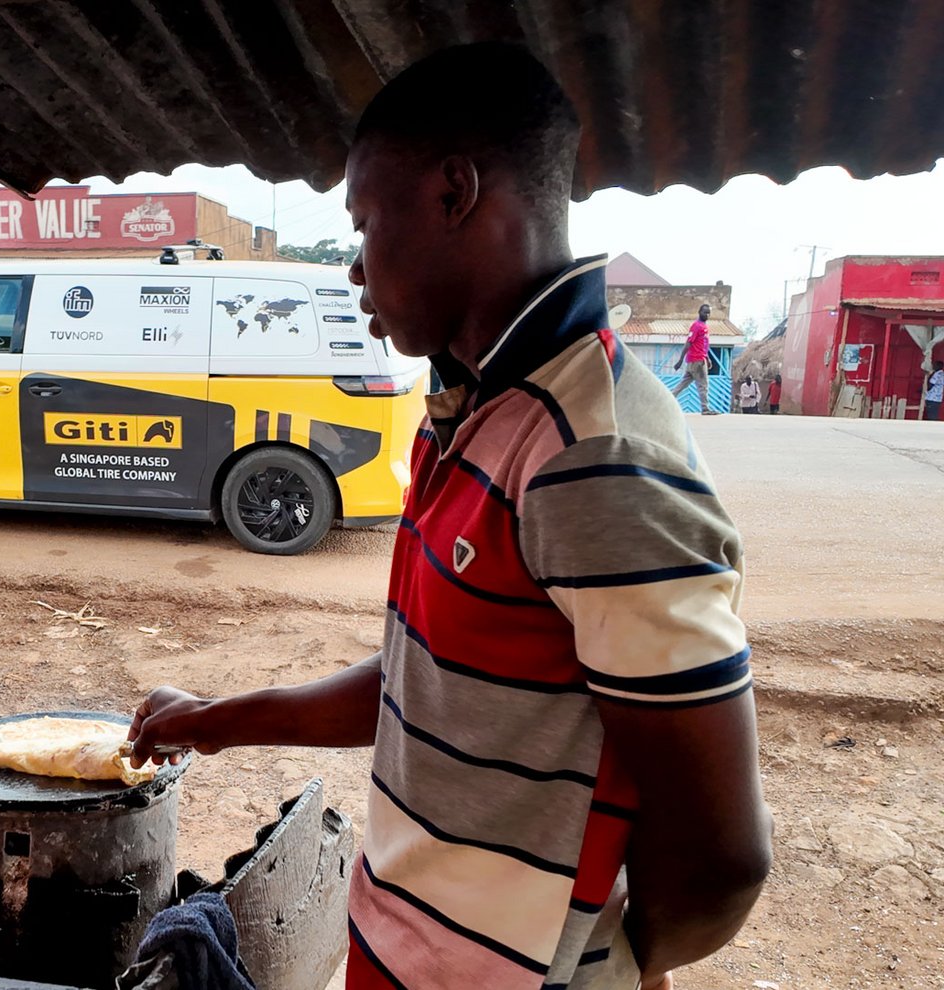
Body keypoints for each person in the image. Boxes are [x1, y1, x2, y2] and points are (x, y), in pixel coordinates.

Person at [127, 43, 770, 990]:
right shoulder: (478, 415)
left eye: (362, 223)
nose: (352, 269)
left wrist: (595, 968)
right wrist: (217, 720)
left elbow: (722, 858)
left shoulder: (594, 454)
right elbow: (422, 681)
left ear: (454, 192)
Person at [670, 304, 714, 414]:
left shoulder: (704, 326)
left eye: (709, 313)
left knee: (683, 384)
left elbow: (702, 344)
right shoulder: (697, 326)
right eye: (705, 312)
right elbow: (689, 343)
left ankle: (668, 399)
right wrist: (680, 360)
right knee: (703, 384)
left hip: (697, 359)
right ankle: (705, 408)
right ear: (699, 312)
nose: (707, 315)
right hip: (697, 360)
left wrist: (707, 357)